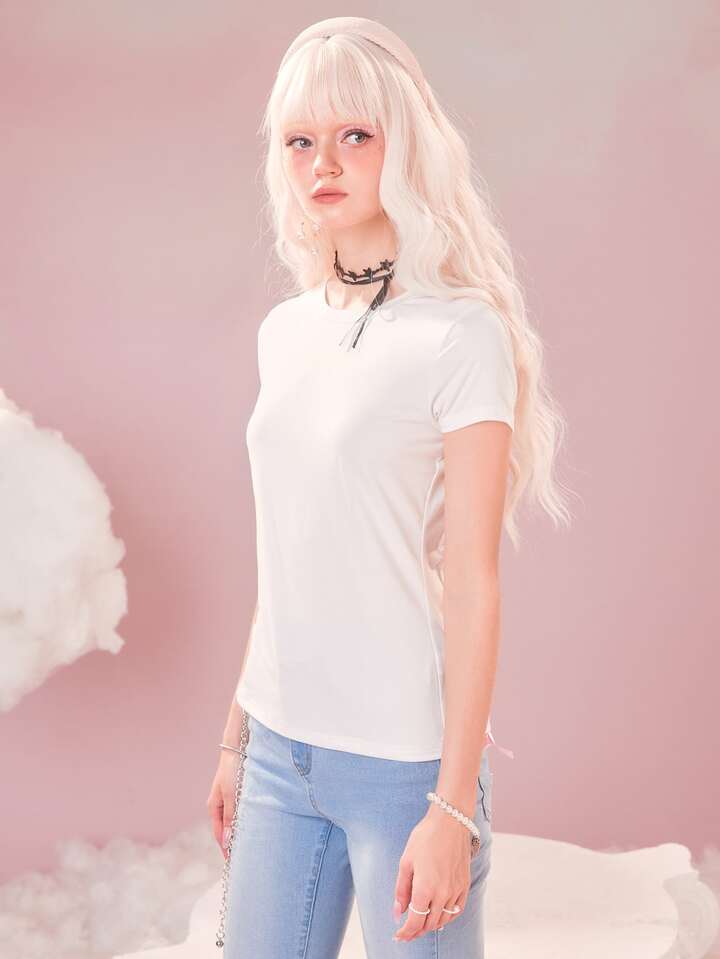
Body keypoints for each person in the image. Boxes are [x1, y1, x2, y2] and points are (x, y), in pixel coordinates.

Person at [207, 16, 570, 958]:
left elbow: (473, 581)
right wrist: (236, 737)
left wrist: (451, 805)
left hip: (405, 767)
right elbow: (289, 551)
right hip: (279, 752)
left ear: (402, 142)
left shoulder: (461, 335)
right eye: (300, 141)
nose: (323, 163)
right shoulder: (284, 332)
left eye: (354, 135)